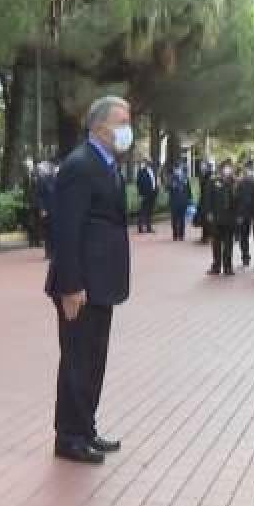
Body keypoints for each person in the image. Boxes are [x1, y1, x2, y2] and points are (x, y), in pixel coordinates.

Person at [45, 96, 133, 464]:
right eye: (121, 121)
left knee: (94, 361)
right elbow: (66, 231)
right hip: (81, 285)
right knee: (78, 362)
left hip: (102, 283)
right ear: (99, 126)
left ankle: (85, 429)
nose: (128, 129)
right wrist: (71, 286)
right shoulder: (80, 165)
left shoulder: (106, 163)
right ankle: (69, 437)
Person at [203, 161, 241, 275]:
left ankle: (228, 267)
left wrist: (239, 215)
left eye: (229, 168)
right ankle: (216, 266)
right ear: (221, 169)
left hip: (230, 218)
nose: (227, 170)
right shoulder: (213, 181)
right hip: (216, 217)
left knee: (229, 244)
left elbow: (239, 201)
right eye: (225, 168)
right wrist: (208, 212)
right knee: (216, 243)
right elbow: (207, 198)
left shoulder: (235, 182)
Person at [236, 159, 254, 267]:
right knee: (243, 237)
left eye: (250, 169)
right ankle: (245, 257)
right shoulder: (240, 183)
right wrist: (238, 214)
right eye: (247, 169)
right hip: (243, 215)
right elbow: (237, 199)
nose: (249, 171)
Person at [168, 163, 192, 241]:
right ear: (174, 170)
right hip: (174, 202)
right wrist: (171, 185)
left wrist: (189, 199)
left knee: (182, 219)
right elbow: (168, 188)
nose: (178, 170)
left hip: (183, 201)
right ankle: (175, 234)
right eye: (176, 169)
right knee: (174, 219)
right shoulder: (171, 178)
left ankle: (181, 235)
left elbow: (188, 190)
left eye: (179, 169)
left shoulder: (185, 178)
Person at [135, 158, 158, 233]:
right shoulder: (141, 171)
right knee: (143, 210)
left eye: (149, 162)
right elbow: (138, 183)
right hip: (145, 193)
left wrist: (156, 189)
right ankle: (140, 227)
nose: (148, 163)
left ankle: (148, 227)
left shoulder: (152, 170)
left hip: (153, 193)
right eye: (146, 162)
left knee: (150, 210)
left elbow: (154, 180)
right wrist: (141, 193)